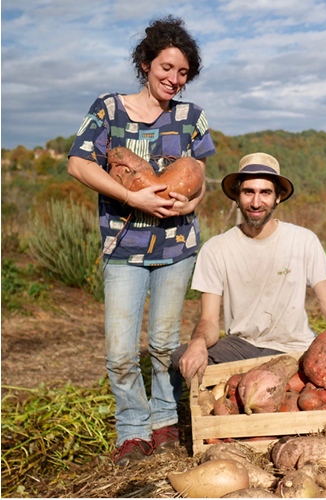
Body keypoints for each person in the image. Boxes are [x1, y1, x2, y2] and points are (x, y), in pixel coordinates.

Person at [67, 16, 216, 466]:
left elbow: (200, 175)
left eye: (183, 73)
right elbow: (78, 164)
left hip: (175, 249)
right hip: (123, 248)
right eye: (166, 68)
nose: (174, 79)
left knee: (165, 343)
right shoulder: (109, 109)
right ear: (146, 64)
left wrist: (191, 206)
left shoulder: (191, 117)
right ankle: (133, 428)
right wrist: (132, 196)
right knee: (119, 349)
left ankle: (165, 421)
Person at [172, 152, 326, 389]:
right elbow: (208, 319)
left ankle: (260, 383)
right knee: (181, 357)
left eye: (265, 193)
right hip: (242, 349)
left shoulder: (303, 240)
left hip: (295, 350)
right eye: (248, 192)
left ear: (278, 197)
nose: (256, 202)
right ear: (237, 197)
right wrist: (197, 341)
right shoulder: (216, 249)